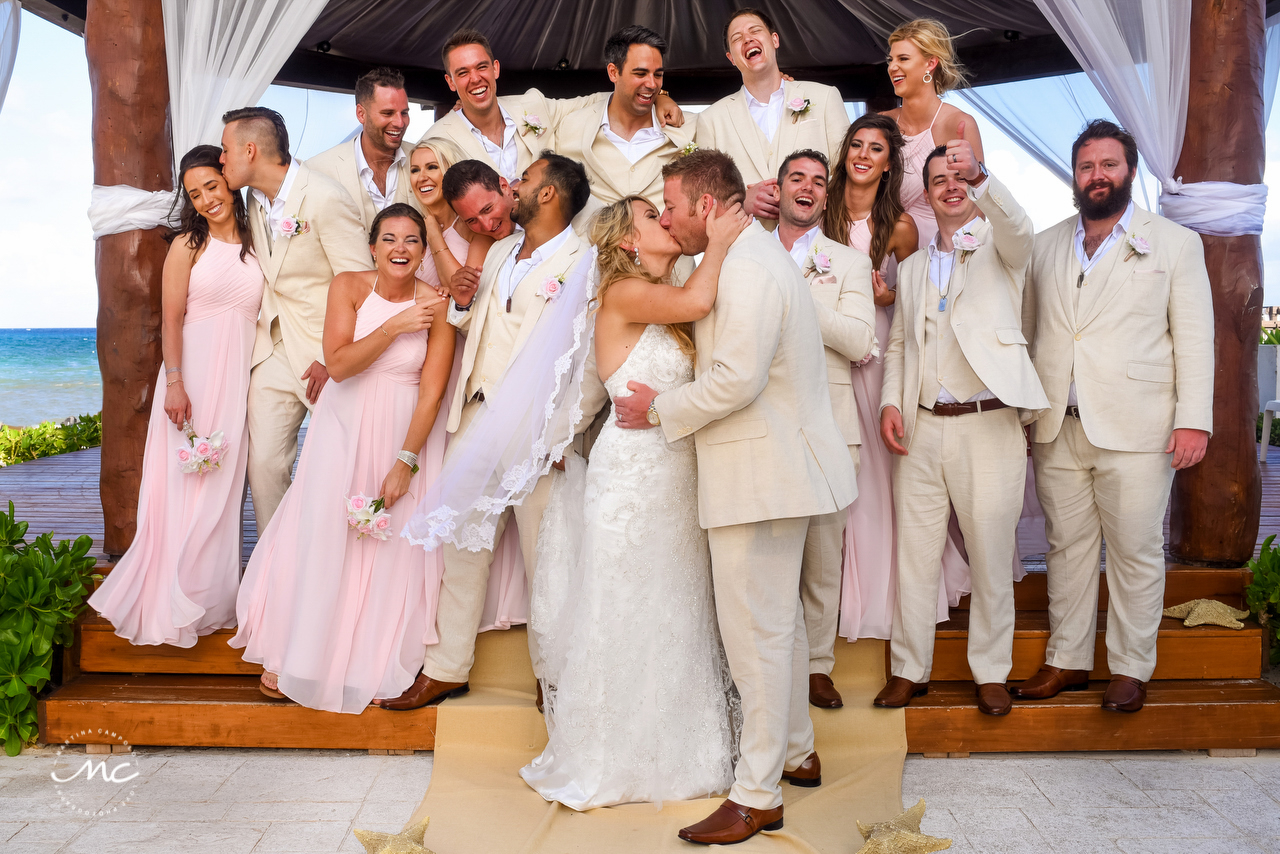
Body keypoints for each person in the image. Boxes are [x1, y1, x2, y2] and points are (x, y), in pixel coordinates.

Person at [614, 150, 858, 846]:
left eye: (673, 207)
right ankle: (796, 750)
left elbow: (735, 380)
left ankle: (757, 796)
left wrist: (658, 409)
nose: (667, 219)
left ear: (709, 207)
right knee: (773, 629)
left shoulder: (749, 269)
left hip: (762, 477)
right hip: (773, 471)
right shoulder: (743, 255)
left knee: (755, 641)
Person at [520, 193, 751, 810]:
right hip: (631, 477)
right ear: (627, 240)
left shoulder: (670, 294)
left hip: (679, 474)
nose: (667, 221)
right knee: (625, 605)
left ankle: (687, 750)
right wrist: (723, 237)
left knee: (678, 606)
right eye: (653, 216)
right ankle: (610, 754)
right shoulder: (623, 293)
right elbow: (701, 300)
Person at [390, 153, 607, 710]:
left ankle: (552, 677)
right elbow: (475, 321)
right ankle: (445, 668)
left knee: (547, 559)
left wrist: (560, 433)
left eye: (527, 180)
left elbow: (592, 361)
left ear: (551, 195)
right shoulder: (503, 251)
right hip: (478, 417)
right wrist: (462, 298)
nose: (516, 184)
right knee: (462, 549)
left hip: (538, 434)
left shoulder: (587, 263)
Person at [1013, 120, 1214, 713]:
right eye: (1086, 167)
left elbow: (1196, 341)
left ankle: (1130, 668)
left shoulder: (1174, 243)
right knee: (1067, 549)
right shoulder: (1046, 244)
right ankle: (1068, 660)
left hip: (1139, 426)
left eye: (1108, 164)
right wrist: (1027, 411)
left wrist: (1193, 419)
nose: (1097, 176)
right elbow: (1030, 334)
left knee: (1135, 551)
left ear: (1130, 170)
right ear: (1074, 176)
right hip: (1058, 424)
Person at [230, 204, 454, 711]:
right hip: (342, 425)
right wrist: (395, 326)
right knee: (323, 533)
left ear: (423, 251)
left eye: (412, 240)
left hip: (403, 428)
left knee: (389, 543)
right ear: (373, 247)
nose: (401, 248)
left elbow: (431, 394)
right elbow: (340, 364)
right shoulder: (350, 288)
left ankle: (365, 657)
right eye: (390, 238)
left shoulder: (437, 305)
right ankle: (301, 653)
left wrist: (406, 460)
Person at [874, 135, 1047, 717]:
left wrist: (983, 175)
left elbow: (1021, 228)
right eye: (939, 180)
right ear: (926, 192)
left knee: (992, 552)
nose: (950, 188)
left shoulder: (1003, 246)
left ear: (972, 185)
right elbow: (899, 343)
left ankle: (991, 671)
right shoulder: (915, 264)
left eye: (959, 179)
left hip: (988, 423)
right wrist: (890, 405)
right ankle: (908, 669)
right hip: (922, 428)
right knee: (915, 555)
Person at [88, 145, 262, 647]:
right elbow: (171, 318)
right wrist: (177, 382)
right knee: (185, 485)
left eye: (212, 185)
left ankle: (209, 599)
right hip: (192, 377)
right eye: (195, 193)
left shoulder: (259, 241)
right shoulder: (188, 244)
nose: (207, 199)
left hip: (237, 379)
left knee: (223, 491)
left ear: (229, 181)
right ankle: (174, 593)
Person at [824, 113, 971, 642]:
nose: (864, 155)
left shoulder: (902, 228)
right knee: (838, 467)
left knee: (878, 474)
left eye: (876, 150)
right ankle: (837, 590)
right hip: (826, 353)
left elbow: (920, 299)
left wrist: (890, 295)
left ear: (889, 166)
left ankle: (889, 594)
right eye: (857, 146)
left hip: (880, 352)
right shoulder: (821, 215)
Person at [219, 107, 373, 532]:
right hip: (273, 349)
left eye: (225, 150)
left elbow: (362, 284)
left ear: (250, 150)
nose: (221, 159)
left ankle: (330, 566)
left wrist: (336, 358)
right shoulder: (252, 199)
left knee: (344, 468)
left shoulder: (325, 197)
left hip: (325, 358)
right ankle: (276, 570)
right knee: (265, 466)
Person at [409, 139, 529, 634]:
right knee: (457, 506)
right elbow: (456, 293)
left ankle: (507, 609)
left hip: (485, 363)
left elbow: (461, 281)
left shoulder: (483, 233)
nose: (424, 175)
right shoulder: (430, 226)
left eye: (433, 165)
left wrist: (437, 229)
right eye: (416, 168)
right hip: (450, 354)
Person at [772, 149, 876, 708]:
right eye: (797, 178)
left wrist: (799, 295)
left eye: (817, 181)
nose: (807, 187)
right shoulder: (744, 254)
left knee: (821, 556)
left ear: (826, 194)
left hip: (830, 429)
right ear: (780, 188)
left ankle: (816, 666)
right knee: (765, 557)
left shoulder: (848, 264)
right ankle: (765, 665)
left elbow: (861, 341)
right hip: (758, 427)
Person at [419, 28, 683, 185]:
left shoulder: (531, 104)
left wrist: (659, 95)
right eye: (463, 73)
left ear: (495, 68)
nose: (475, 78)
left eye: (482, 67)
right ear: (450, 82)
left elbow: (598, 100)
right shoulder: (437, 139)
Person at [694, 8, 849, 227]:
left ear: (774, 40)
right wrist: (742, 200)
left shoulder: (824, 98)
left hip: (817, 243)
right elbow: (704, 196)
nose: (747, 39)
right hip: (745, 251)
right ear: (731, 58)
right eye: (737, 39)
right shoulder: (711, 120)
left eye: (755, 31)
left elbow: (844, 172)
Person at [553, 25, 695, 230]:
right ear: (613, 72)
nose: (652, 84)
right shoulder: (570, 128)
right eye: (640, 73)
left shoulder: (687, 129)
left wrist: (663, 97)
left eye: (658, 74)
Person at [882, 18, 985, 248]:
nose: (892, 67)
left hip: (938, 251)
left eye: (903, 59)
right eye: (891, 60)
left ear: (930, 63)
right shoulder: (882, 123)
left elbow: (979, 206)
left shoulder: (959, 124)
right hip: (884, 248)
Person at [307, 67, 415, 231]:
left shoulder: (425, 158)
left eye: (404, 113)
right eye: (388, 113)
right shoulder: (319, 170)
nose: (400, 123)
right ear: (361, 114)